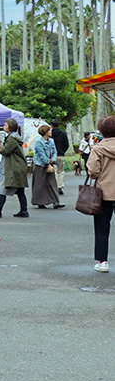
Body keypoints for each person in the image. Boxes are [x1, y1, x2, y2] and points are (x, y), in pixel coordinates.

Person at [86, 116, 115, 273]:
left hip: (104, 193)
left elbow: (93, 171)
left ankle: (103, 262)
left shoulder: (98, 148)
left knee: (102, 228)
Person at [0, 118, 29, 218]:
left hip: (12, 167)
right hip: (18, 166)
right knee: (20, 190)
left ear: (11, 127)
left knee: (3, 188)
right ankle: (24, 210)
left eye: (6, 125)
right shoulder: (16, 137)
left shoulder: (11, 139)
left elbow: (5, 151)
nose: (4, 127)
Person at [32, 124, 64, 209]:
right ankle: (40, 202)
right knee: (40, 184)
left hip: (50, 163)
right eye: (49, 130)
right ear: (45, 132)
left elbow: (55, 151)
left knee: (52, 183)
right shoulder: (39, 142)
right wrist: (48, 163)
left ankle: (56, 202)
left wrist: (53, 160)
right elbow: (41, 155)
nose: (51, 132)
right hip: (41, 165)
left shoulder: (51, 141)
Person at [51, 120, 70, 195]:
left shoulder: (50, 134)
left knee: (54, 170)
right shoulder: (63, 133)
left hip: (52, 155)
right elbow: (66, 144)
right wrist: (62, 151)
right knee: (60, 171)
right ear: (58, 125)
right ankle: (60, 186)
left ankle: (54, 186)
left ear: (51, 125)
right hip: (61, 154)